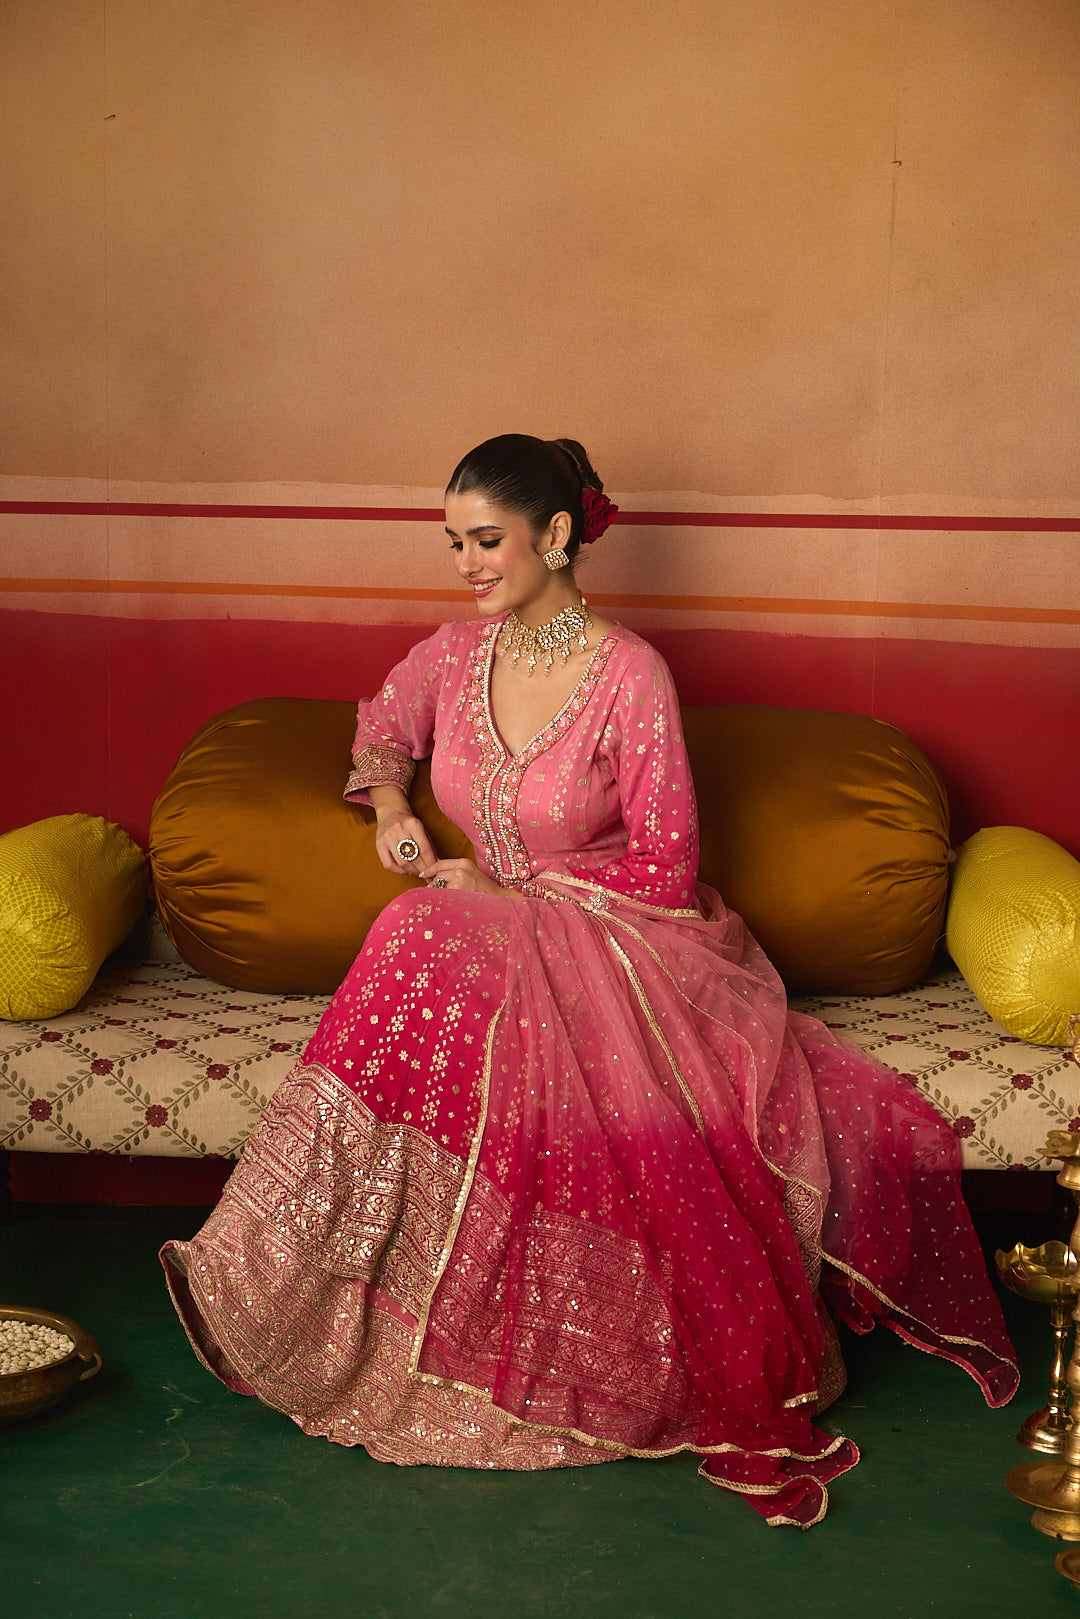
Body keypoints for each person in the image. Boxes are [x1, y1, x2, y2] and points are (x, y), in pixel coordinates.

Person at [161, 433, 1017, 1528]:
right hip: (489, 934)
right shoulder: (453, 657)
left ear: (557, 534)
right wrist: (393, 810)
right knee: (421, 928)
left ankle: (492, 1333)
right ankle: (274, 1277)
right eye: (453, 542)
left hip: (631, 939)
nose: (465, 564)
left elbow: (668, 863)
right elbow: (380, 731)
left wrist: (504, 897)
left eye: (486, 541)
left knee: (420, 927)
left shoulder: (628, 675)